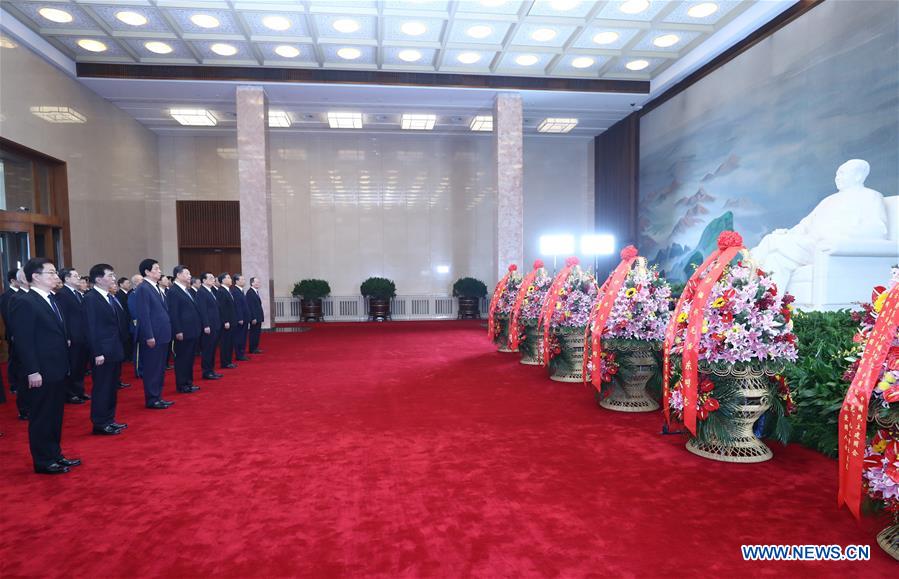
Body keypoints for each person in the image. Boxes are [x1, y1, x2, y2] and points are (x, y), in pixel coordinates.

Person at [752, 159, 890, 292]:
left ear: (858, 175)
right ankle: (767, 309)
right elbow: (805, 224)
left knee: (771, 241)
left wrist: (840, 235)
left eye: (842, 173)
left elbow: (879, 229)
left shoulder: (870, 196)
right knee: (775, 260)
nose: (837, 177)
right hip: (810, 245)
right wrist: (788, 233)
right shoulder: (829, 200)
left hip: (830, 247)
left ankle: (746, 272)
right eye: (837, 174)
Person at [9, 258, 79, 474]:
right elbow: (23, 340)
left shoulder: (52, 299)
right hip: (41, 370)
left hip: (57, 367)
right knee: (41, 416)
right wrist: (32, 370)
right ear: (36, 276)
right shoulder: (25, 302)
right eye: (50, 273)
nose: (55, 276)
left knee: (55, 414)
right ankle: (43, 461)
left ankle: (55, 454)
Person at [84, 264, 128, 435]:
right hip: (102, 351)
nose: (113, 278)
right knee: (102, 387)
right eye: (110, 275)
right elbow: (91, 328)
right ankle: (100, 423)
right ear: (98, 279)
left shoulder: (109, 297)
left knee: (111, 387)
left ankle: (110, 419)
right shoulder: (91, 298)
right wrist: (97, 352)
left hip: (114, 349)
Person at [131, 258, 174, 410]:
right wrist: (149, 335)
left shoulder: (155, 287)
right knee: (152, 368)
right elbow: (144, 314)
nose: (160, 271)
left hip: (162, 334)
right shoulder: (143, 288)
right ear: (147, 272)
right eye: (156, 268)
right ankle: (152, 399)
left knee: (160, 368)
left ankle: (157, 396)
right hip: (153, 336)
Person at [168, 265, 207, 393]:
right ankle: (182, 385)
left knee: (189, 359)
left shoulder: (187, 290)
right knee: (182, 359)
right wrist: (178, 330)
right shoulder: (173, 291)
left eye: (190, 274)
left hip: (192, 330)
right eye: (187, 274)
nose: (190, 276)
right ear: (178, 275)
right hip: (183, 332)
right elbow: (174, 313)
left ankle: (188, 383)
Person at [56, 268, 91, 404]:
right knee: (73, 366)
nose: (79, 278)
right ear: (67, 279)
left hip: (82, 336)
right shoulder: (63, 294)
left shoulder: (78, 293)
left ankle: (79, 391)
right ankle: (70, 394)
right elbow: (63, 318)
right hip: (73, 337)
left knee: (80, 366)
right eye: (75, 276)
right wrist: (68, 336)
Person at [197, 272, 223, 381]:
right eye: (211, 278)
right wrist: (206, 325)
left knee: (212, 349)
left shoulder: (211, 291)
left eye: (213, 277)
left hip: (215, 324)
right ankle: (206, 372)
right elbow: (202, 310)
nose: (213, 279)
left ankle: (211, 370)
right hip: (209, 326)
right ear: (204, 280)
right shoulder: (201, 292)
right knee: (207, 349)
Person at [109, 281, 131, 389]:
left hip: (121, 333)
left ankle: (117, 380)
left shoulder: (115, 298)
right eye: (113, 285)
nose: (115, 287)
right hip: (114, 335)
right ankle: (114, 381)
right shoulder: (110, 299)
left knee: (118, 361)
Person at [216, 273, 237, 370]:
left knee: (230, 342)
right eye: (228, 278)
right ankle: (225, 362)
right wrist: (225, 321)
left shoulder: (228, 290)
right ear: (223, 280)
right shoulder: (221, 291)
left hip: (232, 321)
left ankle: (229, 361)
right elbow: (222, 308)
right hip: (227, 322)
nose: (230, 279)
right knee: (225, 343)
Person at [231, 274, 249, 361]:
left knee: (243, 337)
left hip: (245, 318)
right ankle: (239, 354)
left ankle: (242, 353)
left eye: (244, 279)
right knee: (240, 337)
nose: (244, 281)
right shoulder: (235, 291)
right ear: (237, 281)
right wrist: (240, 318)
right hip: (241, 319)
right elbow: (237, 306)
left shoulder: (241, 290)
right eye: (242, 279)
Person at [246, 277, 264, 354]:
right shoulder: (250, 292)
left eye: (258, 282)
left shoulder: (255, 292)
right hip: (255, 317)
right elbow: (250, 306)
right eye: (256, 282)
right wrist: (253, 317)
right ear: (252, 283)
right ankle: (252, 349)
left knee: (257, 333)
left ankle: (255, 347)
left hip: (258, 316)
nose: (258, 283)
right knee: (254, 333)